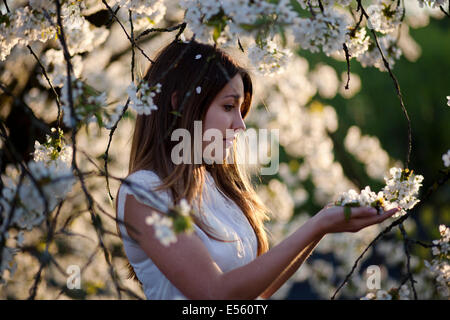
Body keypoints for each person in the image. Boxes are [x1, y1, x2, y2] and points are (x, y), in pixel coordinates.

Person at [115, 38, 399, 300]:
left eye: (241, 111)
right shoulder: (145, 192)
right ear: (179, 103)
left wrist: (320, 227)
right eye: (228, 107)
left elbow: (255, 293)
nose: (240, 125)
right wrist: (318, 224)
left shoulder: (218, 188)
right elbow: (216, 294)